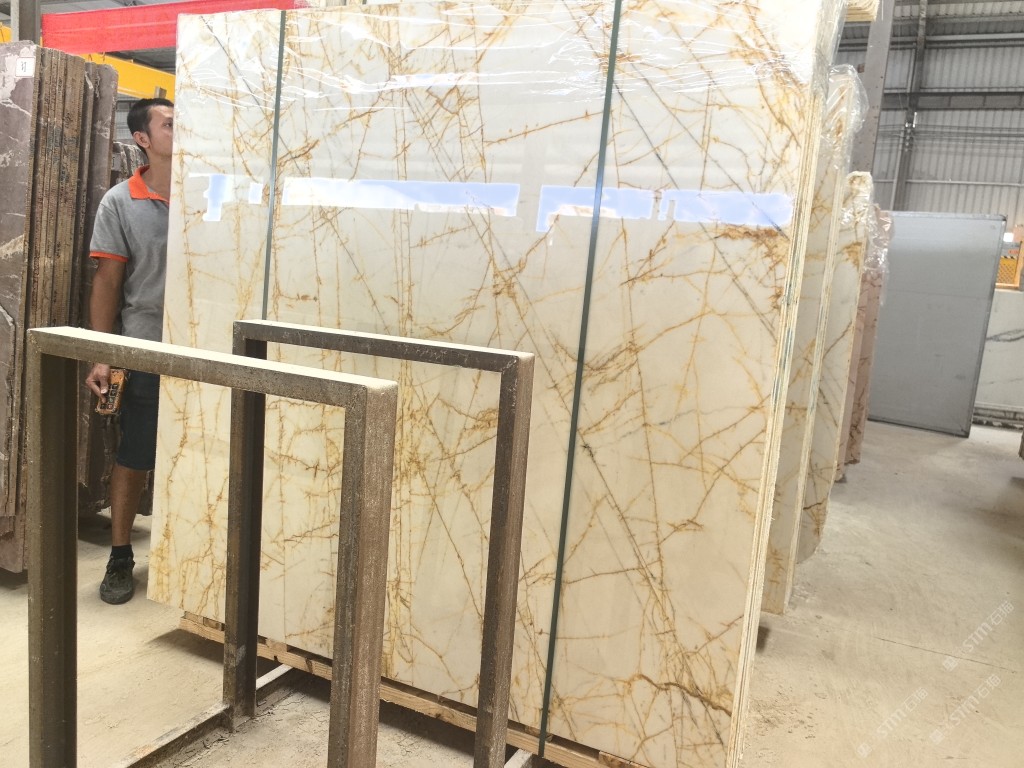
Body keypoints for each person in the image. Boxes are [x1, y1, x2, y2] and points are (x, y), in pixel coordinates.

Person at [85, 97, 174, 605]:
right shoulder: (120, 202)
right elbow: (108, 281)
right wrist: (103, 353)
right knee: (136, 453)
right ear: (142, 138)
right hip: (148, 349)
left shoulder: (213, 191)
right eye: (170, 124)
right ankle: (120, 556)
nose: (181, 132)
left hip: (211, 350)